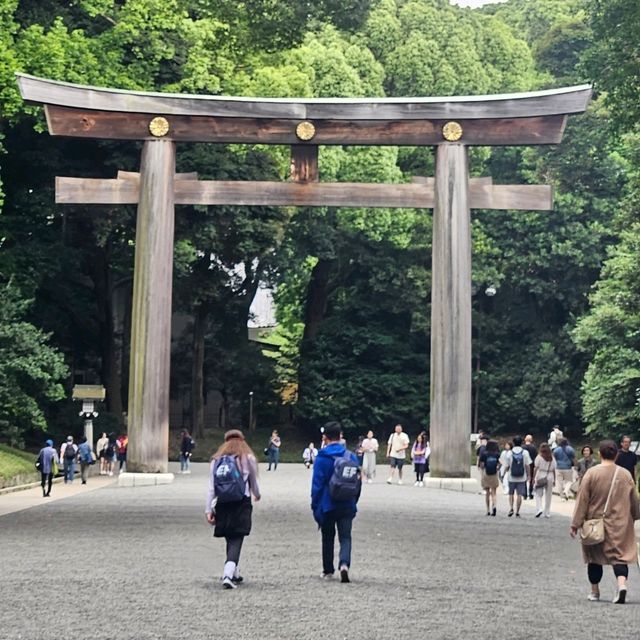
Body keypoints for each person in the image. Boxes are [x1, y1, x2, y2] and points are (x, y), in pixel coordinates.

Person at [570, 440, 640, 604]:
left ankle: (595, 591)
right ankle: (621, 585)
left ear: (599, 454)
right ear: (616, 454)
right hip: (620, 522)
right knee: (620, 556)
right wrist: (635, 515)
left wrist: (576, 523)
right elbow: (634, 499)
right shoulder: (625, 474)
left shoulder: (592, 473)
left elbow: (582, 500)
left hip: (596, 522)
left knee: (594, 556)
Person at [205, 429, 261, 589]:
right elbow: (253, 481)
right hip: (241, 501)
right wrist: (257, 494)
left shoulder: (216, 460)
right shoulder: (247, 457)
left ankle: (234, 571)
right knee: (237, 537)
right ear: (242, 440)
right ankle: (228, 574)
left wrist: (208, 509)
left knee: (230, 537)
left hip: (222, 502)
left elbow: (211, 487)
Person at [311, 421, 361, 583]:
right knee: (345, 536)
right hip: (347, 502)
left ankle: (328, 570)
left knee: (328, 536)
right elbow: (357, 482)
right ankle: (344, 564)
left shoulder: (322, 457)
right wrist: (354, 500)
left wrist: (315, 505)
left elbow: (317, 485)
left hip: (328, 503)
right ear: (340, 436)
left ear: (324, 437)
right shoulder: (350, 456)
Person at [504, 436, 532, 518]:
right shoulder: (525, 452)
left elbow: (507, 466)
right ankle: (517, 511)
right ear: (521, 443)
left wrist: (504, 472)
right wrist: (529, 474)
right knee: (519, 494)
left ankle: (511, 508)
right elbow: (527, 465)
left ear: (513, 443)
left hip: (511, 476)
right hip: (522, 477)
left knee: (511, 494)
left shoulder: (509, 453)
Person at [532, 443, 556, 519]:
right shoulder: (552, 457)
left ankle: (539, 508)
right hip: (550, 475)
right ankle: (547, 512)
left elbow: (536, 467)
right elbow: (554, 469)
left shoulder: (539, 457)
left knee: (538, 493)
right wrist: (554, 479)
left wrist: (533, 477)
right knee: (548, 495)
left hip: (541, 475)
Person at [478, 439, 500, 516]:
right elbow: (499, 464)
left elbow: (481, 465)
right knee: (494, 492)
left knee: (487, 492)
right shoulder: (497, 454)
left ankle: (488, 510)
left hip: (486, 474)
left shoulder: (484, 454)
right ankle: (494, 505)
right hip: (494, 474)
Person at [522, 435, 537, 500]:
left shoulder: (522, 447)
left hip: (523, 464)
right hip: (532, 464)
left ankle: (524, 493)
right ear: (531, 440)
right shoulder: (533, 447)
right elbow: (536, 456)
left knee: (524, 479)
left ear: (525, 439)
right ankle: (531, 493)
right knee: (531, 478)